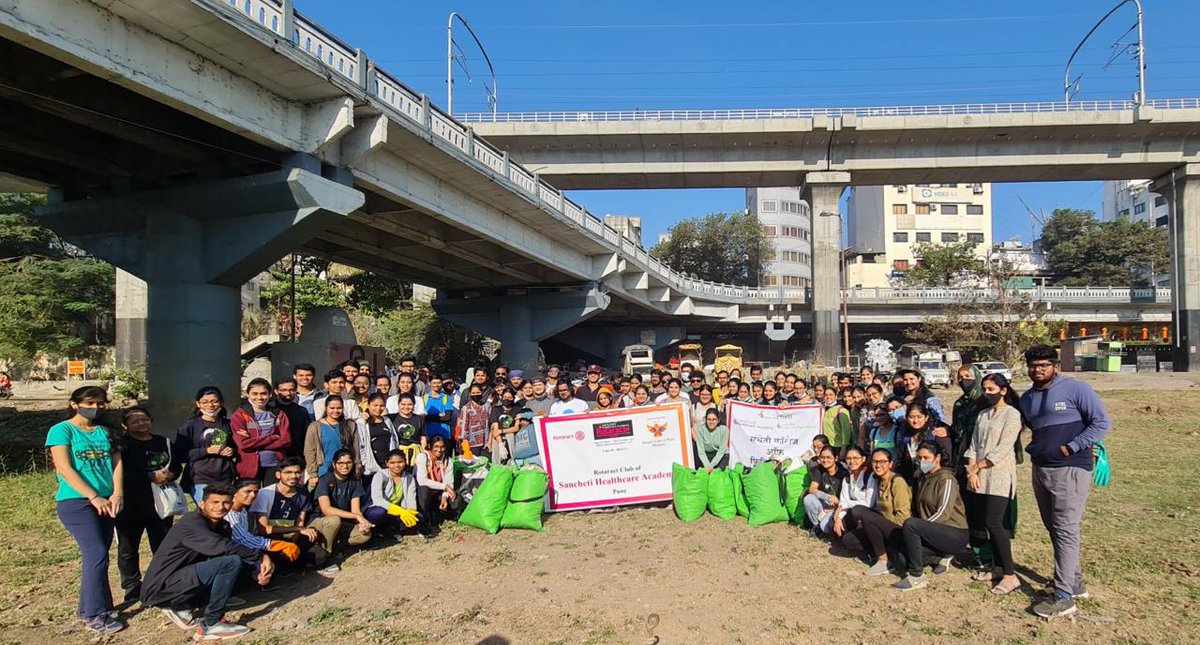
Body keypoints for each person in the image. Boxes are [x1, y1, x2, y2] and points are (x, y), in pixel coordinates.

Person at [1020, 344, 1110, 618]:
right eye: (1033, 366)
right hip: (1042, 469)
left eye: (1044, 365)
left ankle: (1063, 596)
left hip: (1071, 468)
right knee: (1054, 528)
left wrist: (1072, 447)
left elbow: (1101, 423)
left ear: (1055, 366)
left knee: (1066, 528)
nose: (1038, 370)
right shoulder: (1027, 398)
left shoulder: (1076, 389)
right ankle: (1074, 581)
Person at [140, 484, 271, 640]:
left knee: (242, 568)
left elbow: (225, 552)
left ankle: (183, 606)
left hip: (186, 579)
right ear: (202, 504)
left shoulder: (223, 525)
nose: (221, 507)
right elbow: (222, 547)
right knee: (231, 562)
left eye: (226, 503)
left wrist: (257, 570)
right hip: (162, 587)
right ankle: (212, 624)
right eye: (215, 502)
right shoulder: (191, 523)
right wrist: (260, 557)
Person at [47, 386, 125, 634]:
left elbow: (116, 463)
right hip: (77, 502)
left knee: (101, 555)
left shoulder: (105, 431)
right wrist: (92, 496)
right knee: (96, 553)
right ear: (74, 404)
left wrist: (116, 493)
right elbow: (64, 468)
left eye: (100, 403)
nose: (95, 408)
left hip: (106, 500)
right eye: (90, 403)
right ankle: (94, 614)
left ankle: (94, 606)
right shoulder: (62, 430)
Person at [963, 373, 1024, 595]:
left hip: (998, 475)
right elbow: (973, 444)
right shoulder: (983, 415)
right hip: (978, 476)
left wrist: (978, 466)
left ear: (1003, 390)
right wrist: (971, 470)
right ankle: (997, 568)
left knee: (995, 522)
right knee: (985, 523)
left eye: (991, 389)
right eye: (985, 389)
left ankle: (1010, 574)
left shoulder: (1012, 415)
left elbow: (1004, 447)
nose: (987, 393)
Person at [115, 407, 178, 606]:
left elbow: (176, 465)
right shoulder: (121, 446)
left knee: (162, 545)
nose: (141, 424)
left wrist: (171, 474)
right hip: (131, 503)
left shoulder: (163, 442)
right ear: (125, 426)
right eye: (135, 421)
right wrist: (150, 476)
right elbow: (119, 473)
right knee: (128, 548)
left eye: (144, 420)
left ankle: (162, 581)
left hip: (161, 503)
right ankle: (132, 586)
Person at [892, 442, 968, 592]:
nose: (922, 462)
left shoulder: (946, 479)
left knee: (911, 524)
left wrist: (920, 528)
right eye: (919, 458)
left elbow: (943, 513)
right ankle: (941, 557)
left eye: (926, 457)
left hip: (954, 532)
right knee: (902, 558)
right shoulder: (923, 478)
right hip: (931, 533)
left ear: (937, 458)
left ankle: (917, 577)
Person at [842, 448, 912, 576]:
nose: (878, 465)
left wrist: (879, 524)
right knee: (849, 539)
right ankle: (879, 550)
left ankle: (884, 561)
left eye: (882, 462)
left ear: (890, 464)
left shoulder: (897, 483)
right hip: (882, 527)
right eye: (874, 462)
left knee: (867, 515)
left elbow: (904, 517)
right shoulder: (878, 480)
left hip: (897, 529)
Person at [249, 458, 323, 566]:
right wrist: (298, 529)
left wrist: (294, 540)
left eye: (297, 472)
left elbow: (300, 522)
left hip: (292, 535)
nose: (293, 476)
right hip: (271, 537)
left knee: (320, 555)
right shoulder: (265, 493)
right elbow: (264, 530)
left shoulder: (303, 494)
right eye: (288, 472)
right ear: (278, 475)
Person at [309, 449, 373, 574]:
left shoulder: (354, 482)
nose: (345, 466)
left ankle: (336, 546)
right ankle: (324, 558)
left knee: (364, 535)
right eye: (341, 463)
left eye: (348, 463)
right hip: (320, 522)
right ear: (334, 464)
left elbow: (356, 510)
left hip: (340, 523)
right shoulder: (325, 480)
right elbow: (326, 509)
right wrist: (355, 516)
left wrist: (362, 523)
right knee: (334, 519)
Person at [224, 479, 302, 573]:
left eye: (255, 492)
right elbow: (243, 539)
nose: (253, 495)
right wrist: (277, 545)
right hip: (233, 552)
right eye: (247, 491)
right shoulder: (228, 513)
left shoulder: (243, 510)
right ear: (235, 492)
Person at [176, 386, 236, 504]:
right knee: (208, 512)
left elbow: (238, 447)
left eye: (214, 401)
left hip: (225, 477)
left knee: (224, 513)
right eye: (205, 402)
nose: (210, 405)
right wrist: (206, 451)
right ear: (198, 404)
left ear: (221, 403)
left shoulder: (229, 424)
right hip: (200, 478)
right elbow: (180, 454)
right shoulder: (190, 426)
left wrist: (232, 451)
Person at [230, 378, 291, 484]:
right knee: (250, 499)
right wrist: (273, 437)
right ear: (247, 394)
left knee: (272, 498)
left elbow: (286, 440)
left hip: (274, 465)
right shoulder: (240, 415)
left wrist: (254, 442)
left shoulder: (278, 414)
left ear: (270, 394)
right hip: (248, 467)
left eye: (263, 394)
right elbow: (244, 444)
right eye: (255, 394)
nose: (259, 397)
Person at [364, 449, 421, 542]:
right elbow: (377, 500)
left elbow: (411, 499)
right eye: (392, 463)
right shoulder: (380, 476)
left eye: (400, 462)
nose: (397, 465)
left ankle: (390, 530)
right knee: (378, 513)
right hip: (381, 509)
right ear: (387, 463)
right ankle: (376, 532)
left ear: (405, 462)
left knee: (418, 518)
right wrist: (399, 511)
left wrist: (410, 512)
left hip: (398, 511)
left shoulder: (409, 478)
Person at [831, 447, 877, 554]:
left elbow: (869, 503)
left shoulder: (869, 476)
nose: (852, 461)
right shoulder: (847, 477)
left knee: (857, 510)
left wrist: (844, 505)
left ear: (863, 459)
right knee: (840, 533)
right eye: (848, 458)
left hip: (870, 515)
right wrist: (838, 519)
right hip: (854, 515)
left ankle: (873, 544)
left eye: (856, 458)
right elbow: (843, 500)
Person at [413, 436, 456, 535]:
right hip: (422, 494)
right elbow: (422, 481)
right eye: (436, 446)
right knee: (424, 490)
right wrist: (445, 487)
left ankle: (438, 514)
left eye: (442, 447)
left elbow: (449, 481)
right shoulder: (422, 457)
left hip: (438, 493)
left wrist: (445, 497)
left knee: (456, 500)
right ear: (429, 446)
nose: (439, 450)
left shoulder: (448, 460)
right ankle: (423, 521)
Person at [356, 393, 399, 489]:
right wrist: (365, 463)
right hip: (371, 466)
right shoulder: (362, 422)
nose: (378, 408)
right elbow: (360, 445)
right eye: (375, 405)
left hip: (387, 464)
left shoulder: (387, 420)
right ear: (368, 405)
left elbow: (394, 439)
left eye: (381, 406)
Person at [902, 401, 955, 477]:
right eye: (911, 417)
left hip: (936, 477)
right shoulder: (906, 436)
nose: (915, 421)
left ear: (926, 418)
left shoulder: (936, 435)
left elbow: (947, 460)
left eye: (919, 417)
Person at [803, 447, 847, 538]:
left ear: (836, 458)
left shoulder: (844, 473)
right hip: (825, 504)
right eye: (822, 457)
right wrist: (828, 497)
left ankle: (823, 526)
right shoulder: (819, 470)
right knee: (808, 499)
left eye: (828, 457)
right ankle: (816, 526)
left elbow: (846, 499)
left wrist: (833, 509)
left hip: (839, 507)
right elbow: (812, 489)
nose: (825, 460)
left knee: (825, 526)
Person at [951, 364, 984, 464]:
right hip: (961, 453)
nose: (964, 380)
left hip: (981, 453)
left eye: (967, 376)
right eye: (960, 378)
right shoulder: (959, 404)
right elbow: (955, 428)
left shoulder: (985, 401)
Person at [488, 388, 522, 464]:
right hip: (498, 440)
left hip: (512, 440)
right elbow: (495, 429)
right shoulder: (496, 409)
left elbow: (516, 428)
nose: (507, 399)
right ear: (501, 397)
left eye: (509, 397)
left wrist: (502, 431)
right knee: (498, 462)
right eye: (505, 397)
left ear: (513, 398)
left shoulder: (517, 409)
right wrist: (500, 445)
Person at [456, 383, 492, 454]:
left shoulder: (486, 407)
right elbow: (463, 426)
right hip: (471, 443)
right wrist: (464, 441)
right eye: (473, 393)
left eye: (478, 392)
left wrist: (490, 441)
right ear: (470, 394)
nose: (476, 394)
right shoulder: (466, 408)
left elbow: (490, 424)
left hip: (486, 441)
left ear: (482, 393)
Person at [821, 387, 854, 459]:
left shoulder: (841, 410)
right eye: (826, 395)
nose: (828, 397)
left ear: (836, 396)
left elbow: (846, 431)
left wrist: (844, 448)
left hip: (839, 447)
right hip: (828, 446)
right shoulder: (823, 410)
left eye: (831, 395)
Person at [422, 375, 455, 443]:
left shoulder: (446, 398)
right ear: (429, 383)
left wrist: (429, 417)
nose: (436, 385)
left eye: (439, 383)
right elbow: (422, 418)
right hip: (428, 434)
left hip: (443, 434)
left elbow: (447, 418)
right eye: (434, 383)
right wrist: (438, 415)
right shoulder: (424, 399)